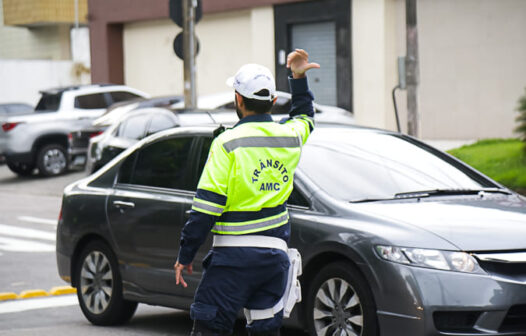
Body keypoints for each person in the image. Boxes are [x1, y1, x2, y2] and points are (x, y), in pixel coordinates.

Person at [174, 49, 320, 336]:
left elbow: (207, 208)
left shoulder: (227, 143)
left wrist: (185, 254)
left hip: (231, 261)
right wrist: (298, 78)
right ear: (273, 101)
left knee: (210, 329)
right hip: (274, 260)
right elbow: (305, 117)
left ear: (238, 100)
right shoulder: (289, 137)